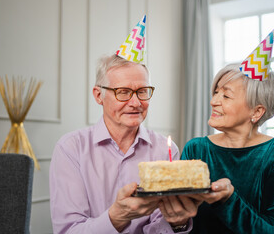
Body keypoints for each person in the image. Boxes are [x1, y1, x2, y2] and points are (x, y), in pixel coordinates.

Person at [49, 16, 199, 233]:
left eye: (142, 91)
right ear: (98, 95)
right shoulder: (71, 148)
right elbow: (68, 230)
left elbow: (165, 224)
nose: (136, 102)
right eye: (123, 92)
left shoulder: (165, 150)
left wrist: (178, 223)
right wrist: (115, 218)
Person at [182, 29, 274, 234]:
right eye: (216, 92)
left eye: (226, 96)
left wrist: (228, 200)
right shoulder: (196, 149)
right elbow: (182, 221)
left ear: (257, 111)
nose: (213, 101)